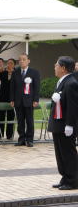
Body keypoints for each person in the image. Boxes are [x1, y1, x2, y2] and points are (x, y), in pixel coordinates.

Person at [48, 56, 78, 190]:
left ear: (63, 68)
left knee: (68, 154)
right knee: (60, 154)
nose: (54, 67)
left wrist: (70, 124)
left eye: (56, 65)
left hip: (66, 125)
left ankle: (73, 180)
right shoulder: (62, 81)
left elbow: (73, 106)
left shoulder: (71, 83)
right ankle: (65, 177)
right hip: (58, 124)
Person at [10, 54, 40, 147]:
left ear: (28, 61)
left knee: (30, 121)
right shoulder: (15, 72)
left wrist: (35, 99)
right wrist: (12, 99)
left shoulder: (34, 72)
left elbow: (37, 87)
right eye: (20, 60)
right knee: (20, 121)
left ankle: (30, 139)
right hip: (18, 101)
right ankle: (21, 139)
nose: (21, 61)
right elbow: (12, 87)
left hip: (29, 101)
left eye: (24, 59)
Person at [0, 58, 16, 140]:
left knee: (11, 116)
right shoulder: (3, 72)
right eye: (8, 63)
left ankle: (9, 136)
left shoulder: (16, 73)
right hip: (2, 96)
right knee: (1, 115)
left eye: (11, 63)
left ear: (14, 65)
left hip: (12, 97)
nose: (9, 65)